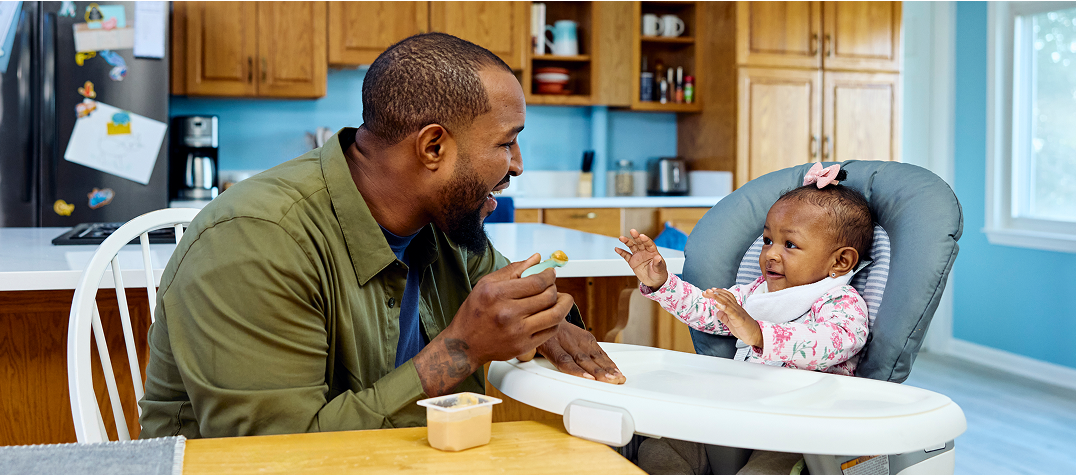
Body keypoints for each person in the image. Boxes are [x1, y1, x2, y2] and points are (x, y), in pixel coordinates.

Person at [138, 32, 624, 440]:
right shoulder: (255, 241)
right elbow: (277, 454)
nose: (517, 164)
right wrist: (462, 349)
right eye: (506, 142)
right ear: (433, 146)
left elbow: (504, 309)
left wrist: (537, 320)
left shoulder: (442, 222)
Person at [615, 164, 874, 475]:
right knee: (661, 449)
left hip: (798, 427)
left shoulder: (841, 302)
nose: (771, 255)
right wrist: (661, 283)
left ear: (841, 261)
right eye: (767, 241)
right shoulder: (756, 293)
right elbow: (708, 309)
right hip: (737, 410)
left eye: (789, 245)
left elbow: (832, 343)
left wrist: (759, 335)